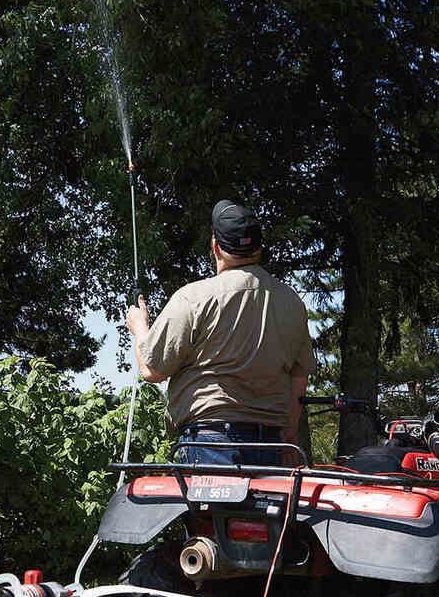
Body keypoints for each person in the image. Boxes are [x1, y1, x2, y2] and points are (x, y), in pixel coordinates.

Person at [125, 199, 315, 465]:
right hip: (272, 443)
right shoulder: (293, 303)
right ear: (259, 248)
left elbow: (153, 370)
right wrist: (288, 439)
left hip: (208, 443)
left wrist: (139, 326)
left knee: (214, 509)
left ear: (215, 247)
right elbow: (298, 381)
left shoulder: (193, 298)